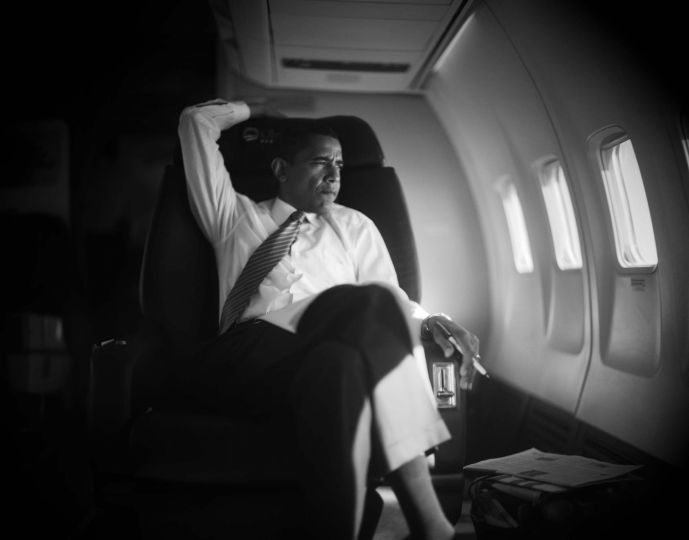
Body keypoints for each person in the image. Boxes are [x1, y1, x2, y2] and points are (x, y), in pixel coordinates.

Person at [177, 99, 480, 540]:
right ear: (281, 169)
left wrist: (432, 318)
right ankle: (429, 520)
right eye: (321, 162)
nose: (335, 175)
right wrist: (258, 109)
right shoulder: (235, 216)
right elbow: (195, 121)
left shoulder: (354, 225)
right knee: (360, 305)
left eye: (339, 163)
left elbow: (393, 301)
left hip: (323, 353)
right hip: (246, 352)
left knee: (340, 363)